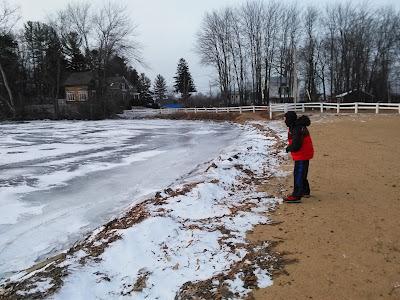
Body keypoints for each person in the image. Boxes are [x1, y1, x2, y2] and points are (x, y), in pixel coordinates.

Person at [283, 111, 314, 203]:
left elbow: (296, 145)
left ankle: (296, 195)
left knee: (298, 174)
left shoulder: (297, 128)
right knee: (302, 173)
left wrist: (289, 148)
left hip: (302, 154)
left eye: (285, 119)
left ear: (290, 119)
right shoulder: (296, 126)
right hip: (304, 153)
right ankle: (305, 191)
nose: (285, 121)